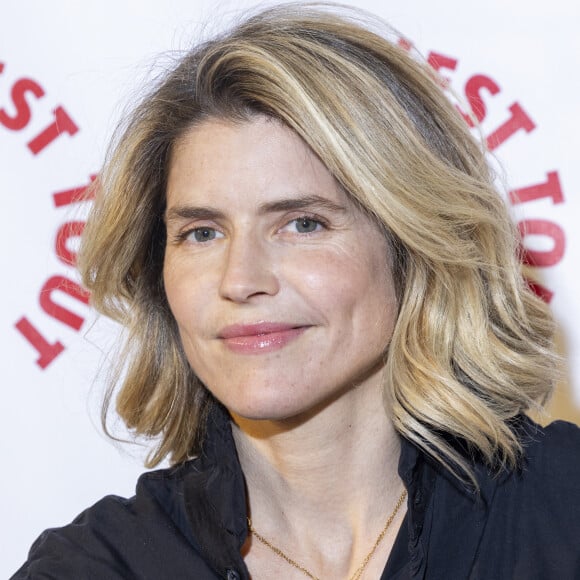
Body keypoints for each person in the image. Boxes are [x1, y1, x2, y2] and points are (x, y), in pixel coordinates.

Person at [12, 3, 580, 579]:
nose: (241, 280)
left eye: (302, 224)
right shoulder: (95, 567)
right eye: (202, 233)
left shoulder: (564, 511)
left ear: (413, 247)